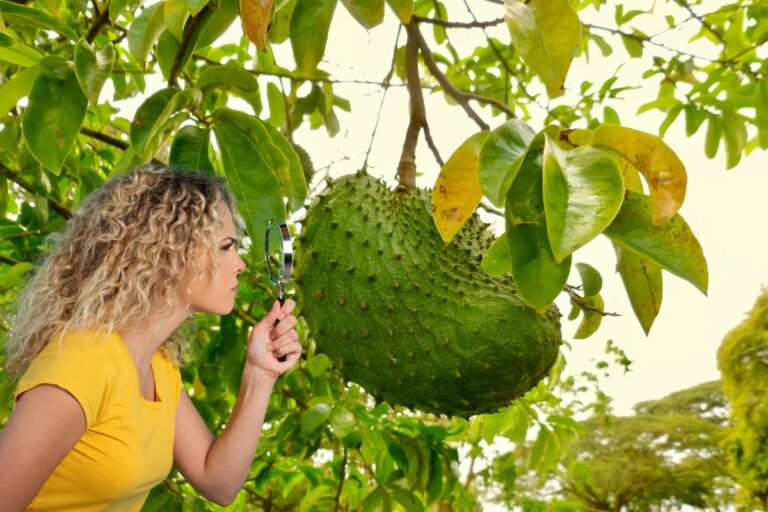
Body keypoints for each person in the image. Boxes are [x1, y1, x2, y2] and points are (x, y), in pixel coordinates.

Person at [0, 165, 301, 511]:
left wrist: (259, 376)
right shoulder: (83, 365)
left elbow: (217, 482)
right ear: (169, 251)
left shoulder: (158, 368)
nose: (240, 265)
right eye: (226, 246)